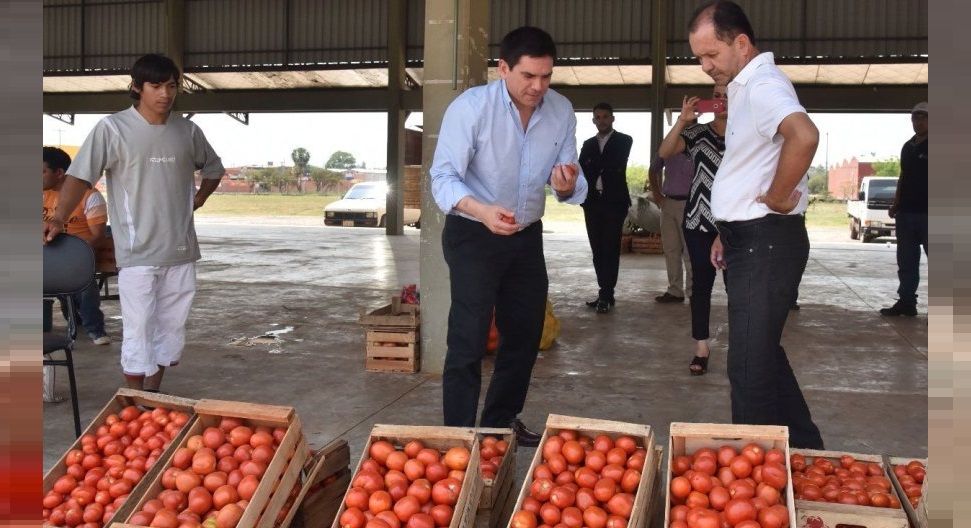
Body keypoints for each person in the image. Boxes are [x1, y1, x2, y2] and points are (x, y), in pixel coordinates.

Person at [430, 26, 587, 447]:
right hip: (473, 232)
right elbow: (442, 178)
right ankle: (460, 436)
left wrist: (568, 185)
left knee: (524, 334)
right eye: (528, 76)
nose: (539, 87)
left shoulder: (561, 110)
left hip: (525, 237)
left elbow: (570, 178)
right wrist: (481, 211)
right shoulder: (472, 108)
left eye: (547, 76)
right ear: (503, 69)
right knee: (469, 336)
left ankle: (499, 424)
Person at [42, 53, 225, 393]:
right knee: (138, 329)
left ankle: (151, 397)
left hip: (182, 251)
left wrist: (199, 199)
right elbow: (80, 177)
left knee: (170, 330)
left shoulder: (188, 130)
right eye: (156, 86)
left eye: (172, 86)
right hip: (137, 252)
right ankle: (133, 401)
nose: (165, 94)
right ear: (137, 87)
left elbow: (214, 169)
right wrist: (58, 217)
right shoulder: (112, 129)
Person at [689, 0, 824, 448]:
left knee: (748, 366)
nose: (705, 66)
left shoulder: (763, 83)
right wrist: (725, 228)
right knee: (761, 352)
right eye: (700, 58)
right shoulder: (745, 86)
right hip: (748, 239)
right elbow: (748, 162)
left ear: (741, 42)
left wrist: (779, 197)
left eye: (711, 55)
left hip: (766, 241)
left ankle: (759, 478)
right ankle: (804, 450)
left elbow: (803, 135)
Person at [657, 85, 728, 375]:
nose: (721, 100)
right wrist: (683, 121)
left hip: (736, 222)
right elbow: (664, 152)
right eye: (717, 95)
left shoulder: (748, 134)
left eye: (727, 95)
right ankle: (701, 346)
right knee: (701, 285)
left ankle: (745, 348)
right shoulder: (697, 133)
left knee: (739, 287)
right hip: (698, 219)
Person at [43, 146, 112, 346]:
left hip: (77, 258)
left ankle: (95, 329)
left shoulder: (90, 196)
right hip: (45, 257)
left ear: (60, 173)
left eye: (42, 172)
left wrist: (73, 258)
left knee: (84, 286)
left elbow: (98, 236)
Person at [578, 102, 634, 314]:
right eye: (598, 117)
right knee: (597, 249)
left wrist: (595, 163)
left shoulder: (624, 140)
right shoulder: (588, 143)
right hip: (592, 203)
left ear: (612, 118)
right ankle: (605, 291)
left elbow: (615, 163)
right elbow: (583, 168)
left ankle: (606, 292)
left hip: (615, 202)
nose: (602, 120)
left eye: (605, 117)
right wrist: (595, 164)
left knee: (610, 248)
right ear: (593, 120)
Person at [880, 102, 928, 317]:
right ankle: (907, 301)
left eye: (923, 117)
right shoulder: (907, 146)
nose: (918, 121)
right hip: (907, 213)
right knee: (906, 262)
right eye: (915, 118)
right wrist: (897, 203)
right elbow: (903, 176)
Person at [648, 151, 694, 304]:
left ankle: (694, 292)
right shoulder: (669, 145)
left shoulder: (698, 142)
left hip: (690, 204)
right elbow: (653, 169)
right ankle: (675, 291)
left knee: (691, 251)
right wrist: (657, 194)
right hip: (667, 203)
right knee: (671, 249)